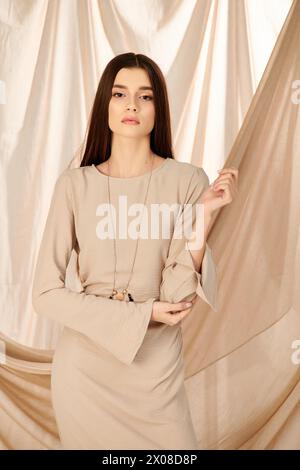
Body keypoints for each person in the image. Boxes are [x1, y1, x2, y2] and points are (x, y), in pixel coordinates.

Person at [32, 52, 238, 450]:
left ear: (158, 109)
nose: (131, 104)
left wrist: (204, 220)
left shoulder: (189, 181)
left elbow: (177, 300)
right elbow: (44, 294)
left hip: (156, 371)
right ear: (103, 106)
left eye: (145, 97)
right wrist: (142, 312)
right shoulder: (74, 186)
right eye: (119, 94)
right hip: (85, 372)